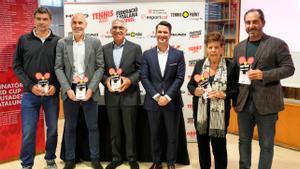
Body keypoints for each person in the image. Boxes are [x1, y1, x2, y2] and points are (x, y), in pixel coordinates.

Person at [234, 9, 295, 169]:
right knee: (243, 142)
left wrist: (264, 75)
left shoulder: (277, 44)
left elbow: (289, 69)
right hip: (244, 104)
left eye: (255, 22)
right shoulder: (239, 48)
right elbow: (235, 75)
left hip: (267, 104)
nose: (251, 25)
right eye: (248, 22)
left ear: (263, 23)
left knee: (266, 145)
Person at [55, 13, 104, 169]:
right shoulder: (62, 43)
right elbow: (58, 67)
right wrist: (67, 89)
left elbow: (100, 67)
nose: (77, 25)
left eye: (80, 23)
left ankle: (95, 159)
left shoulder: (95, 42)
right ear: (71, 24)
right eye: (74, 22)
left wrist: (91, 88)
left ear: (85, 25)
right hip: (71, 90)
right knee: (70, 126)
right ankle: (70, 160)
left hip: (90, 89)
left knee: (93, 127)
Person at [12, 7, 60, 169]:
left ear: (50, 21)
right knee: (28, 132)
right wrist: (30, 86)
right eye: (39, 19)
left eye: (45, 19)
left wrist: (56, 86)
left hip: (51, 95)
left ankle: (50, 159)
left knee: (53, 129)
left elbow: (63, 68)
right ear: (34, 20)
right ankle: (26, 164)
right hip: (30, 95)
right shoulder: (24, 40)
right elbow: (17, 66)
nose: (41, 22)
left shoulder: (58, 41)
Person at [187, 31, 237, 169]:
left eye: (216, 47)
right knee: (202, 147)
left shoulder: (231, 66)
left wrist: (224, 94)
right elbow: (191, 85)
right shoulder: (199, 64)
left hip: (219, 117)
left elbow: (235, 90)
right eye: (210, 47)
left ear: (222, 48)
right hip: (201, 115)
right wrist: (194, 91)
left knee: (219, 148)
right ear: (206, 48)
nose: (213, 50)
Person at [140, 21, 185, 169]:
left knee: (172, 136)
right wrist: (157, 96)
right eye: (160, 32)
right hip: (153, 102)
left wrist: (167, 97)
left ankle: (171, 163)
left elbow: (180, 78)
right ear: (155, 33)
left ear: (170, 34)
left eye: (165, 32)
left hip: (172, 102)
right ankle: (157, 162)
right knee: (154, 135)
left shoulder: (178, 54)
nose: (162, 35)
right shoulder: (147, 55)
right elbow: (144, 77)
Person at [102, 19, 142, 169]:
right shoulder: (104, 48)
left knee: (130, 129)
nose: (117, 30)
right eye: (114, 27)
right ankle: (116, 157)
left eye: (121, 28)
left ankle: (132, 158)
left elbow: (141, 71)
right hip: (111, 96)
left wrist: (129, 80)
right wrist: (106, 81)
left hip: (130, 95)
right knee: (115, 129)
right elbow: (100, 71)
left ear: (126, 30)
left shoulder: (135, 48)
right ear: (110, 30)